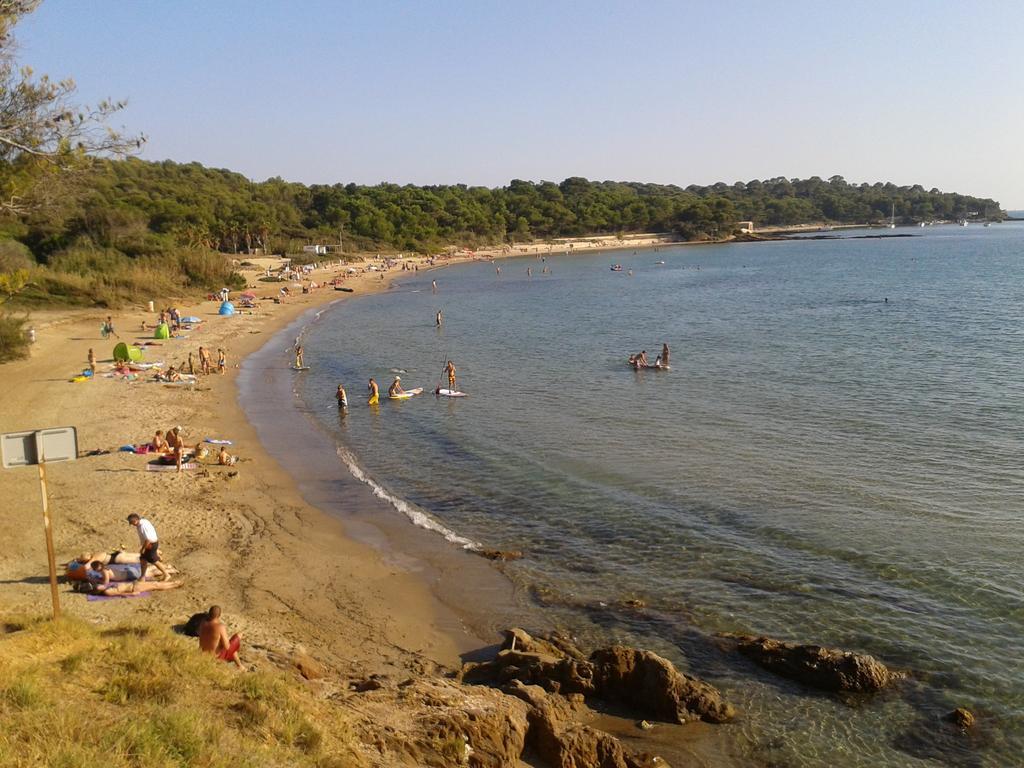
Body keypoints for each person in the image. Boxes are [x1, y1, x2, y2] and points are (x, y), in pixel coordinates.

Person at [85, 561, 181, 595]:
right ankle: (168, 568)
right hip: (128, 572)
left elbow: (106, 582)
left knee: (150, 574)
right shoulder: (106, 568)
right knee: (148, 571)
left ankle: (170, 571)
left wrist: (96, 581)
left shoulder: (104, 572)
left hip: (129, 575)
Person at [127, 513, 169, 582]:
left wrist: (143, 549)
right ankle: (142, 577)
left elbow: (148, 540)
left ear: (136, 520)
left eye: (132, 522)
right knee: (143, 559)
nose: (132, 525)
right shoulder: (142, 521)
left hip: (150, 545)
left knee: (154, 561)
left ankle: (167, 574)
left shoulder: (143, 526)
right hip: (149, 544)